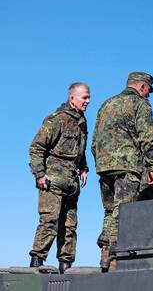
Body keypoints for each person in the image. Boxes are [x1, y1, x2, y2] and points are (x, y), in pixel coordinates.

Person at [91, 71, 153, 272]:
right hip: (127, 166)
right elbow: (147, 137)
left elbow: (94, 142)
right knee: (123, 213)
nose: (148, 95)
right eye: (148, 91)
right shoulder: (140, 104)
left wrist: (102, 162)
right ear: (142, 87)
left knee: (110, 211)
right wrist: (151, 166)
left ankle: (105, 254)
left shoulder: (107, 104)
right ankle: (114, 259)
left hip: (104, 167)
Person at [28, 82, 90, 274]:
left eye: (89, 98)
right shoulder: (57, 120)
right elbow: (36, 147)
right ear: (72, 98)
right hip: (52, 181)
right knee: (49, 221)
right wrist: (39, 174)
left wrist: (83, 168)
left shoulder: (81, 122)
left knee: (70, 226)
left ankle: (66, 265)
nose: (88, 101)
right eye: (84, 98)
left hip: (71, 183)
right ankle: (37, 261)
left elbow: (80, 150)